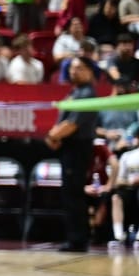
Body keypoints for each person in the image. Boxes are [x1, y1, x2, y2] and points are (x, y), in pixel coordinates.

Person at [45, 56, 100, 254]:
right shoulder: (74, 92)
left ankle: (78, 239)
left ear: (89, 71)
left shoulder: (86, 94)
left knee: (74, 195)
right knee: (70, 194)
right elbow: (63, 121)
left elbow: (72, 124)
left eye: (79, 68)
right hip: (68, 147)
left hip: (78, 148)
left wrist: (53, 135)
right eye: (72, 68)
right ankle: (75, 237)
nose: (74, 71)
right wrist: (53, 136)